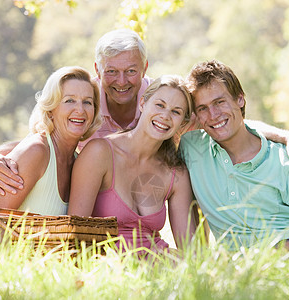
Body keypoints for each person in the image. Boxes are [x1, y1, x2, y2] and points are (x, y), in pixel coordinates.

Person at [0, 28, 289, 197]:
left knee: (193, 164)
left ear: (145, 66)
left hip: (143, 203)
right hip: (85, 199)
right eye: (111, 72)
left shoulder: (161, 101)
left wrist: (287, 135)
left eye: (130, 70)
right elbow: (38, 140)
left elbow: (216, 118)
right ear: (98, 70)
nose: (121, 81)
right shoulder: (84, 102)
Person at [179, 60, 289, 261]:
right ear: (195, 116)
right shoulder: (191, 147)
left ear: (240, 100)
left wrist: (270, 256)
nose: (213, 115)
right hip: (235, 265)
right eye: (202, 108)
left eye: (220, 102)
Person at [68, 75, 196, 251]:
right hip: (109, 265)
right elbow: (75, 232)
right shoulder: (101, 153)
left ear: (183, 122)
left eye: (176, 112)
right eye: (160, 105)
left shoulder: (175, 173)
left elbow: (191, 251)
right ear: (142, 104)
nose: (165, 116)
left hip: (159, 264)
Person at [0, 66, 102, 215]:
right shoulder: (36, 151)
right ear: (51, 110)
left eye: (87, 102)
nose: (80, 110)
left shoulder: (78, 162)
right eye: (69, 100)